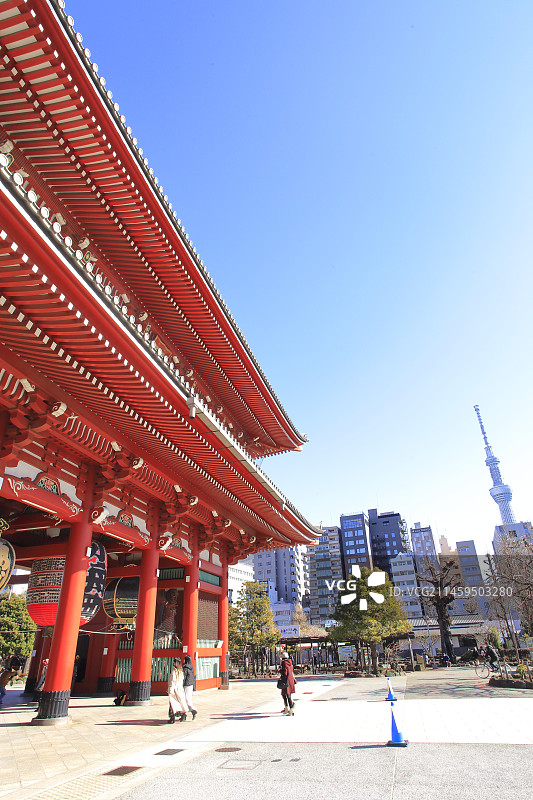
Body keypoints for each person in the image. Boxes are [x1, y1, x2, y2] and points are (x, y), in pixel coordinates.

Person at [167, 657, 187, 723]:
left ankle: (172, 718)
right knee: (181, 702)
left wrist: (170, 689)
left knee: (172, 703)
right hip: (180, 688)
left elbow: (173, 680)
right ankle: (183, 715)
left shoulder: (174, 671)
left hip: (174, 689)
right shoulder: (181, 671)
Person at [279, 650, 296, 716]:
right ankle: (289, 708)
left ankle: (290, 709)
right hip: (290, 680)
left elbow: (285, 672)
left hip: (285, 680)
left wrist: (280, 670)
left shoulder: (284, 663)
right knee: (287, 694)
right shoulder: (290, 662)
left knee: (285, 694)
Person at [182, 655, 197, 720]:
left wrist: (181, 684)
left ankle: (192, 710)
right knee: (188, 698)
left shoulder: (185, 668)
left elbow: (184, 677)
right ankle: (185, 713)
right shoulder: (191, 667)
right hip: (191, 684)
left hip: (186, 684)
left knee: (186, 699)